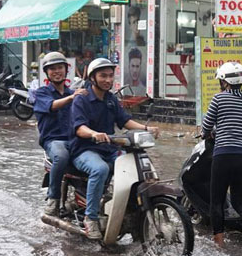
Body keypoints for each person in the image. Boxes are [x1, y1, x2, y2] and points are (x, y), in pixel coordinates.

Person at [70, 58, 159, 239]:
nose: (108, 80)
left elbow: (124, 121)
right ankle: (91, 218)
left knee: (134, 166)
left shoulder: (111, 99)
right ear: (93, 77)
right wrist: (94, 133)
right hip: (84, 149)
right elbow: (79, 128)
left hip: (108, 149)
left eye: (111, 76)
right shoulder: (82, 98)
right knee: (100, 169)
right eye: (103, 76)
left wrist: (146, 128)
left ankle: (132, 212)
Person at [201, 62, 242, 248]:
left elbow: (206, 126)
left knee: (217, 202)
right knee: (239, 200)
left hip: (223, 155)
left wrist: (209, 132)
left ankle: (219, 246)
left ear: (225, 82)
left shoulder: (218, 99)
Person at [33, 52, 87, 216]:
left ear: (66, 70)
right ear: (47, 73)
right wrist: (72, 97)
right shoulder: (42, 92)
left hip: (75, 139)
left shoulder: (74, 93)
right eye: (53, 69)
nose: (57, 71)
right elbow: (52, 106)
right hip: (54, 140)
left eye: (60, 68)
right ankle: (53, 198)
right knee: (62, 156)